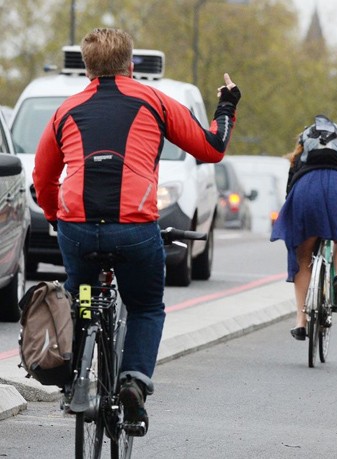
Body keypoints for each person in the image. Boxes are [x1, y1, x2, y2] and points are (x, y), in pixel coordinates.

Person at [32, 28, 241, 436]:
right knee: (145, 306)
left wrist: (58, 220)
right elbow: (213, 147)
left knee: (79, 296)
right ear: (131, 66)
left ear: (87, 69)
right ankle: (133, 381)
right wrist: (227, 104)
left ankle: (75, 377)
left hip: (77, 227)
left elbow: (43, 177)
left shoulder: (66, 111)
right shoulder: (157, 102)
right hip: (134, 229)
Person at [271, 115, 337, 340]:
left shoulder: (300, 158)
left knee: (302, 255)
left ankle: (301, 322)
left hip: (306, 191)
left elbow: (290, 191)